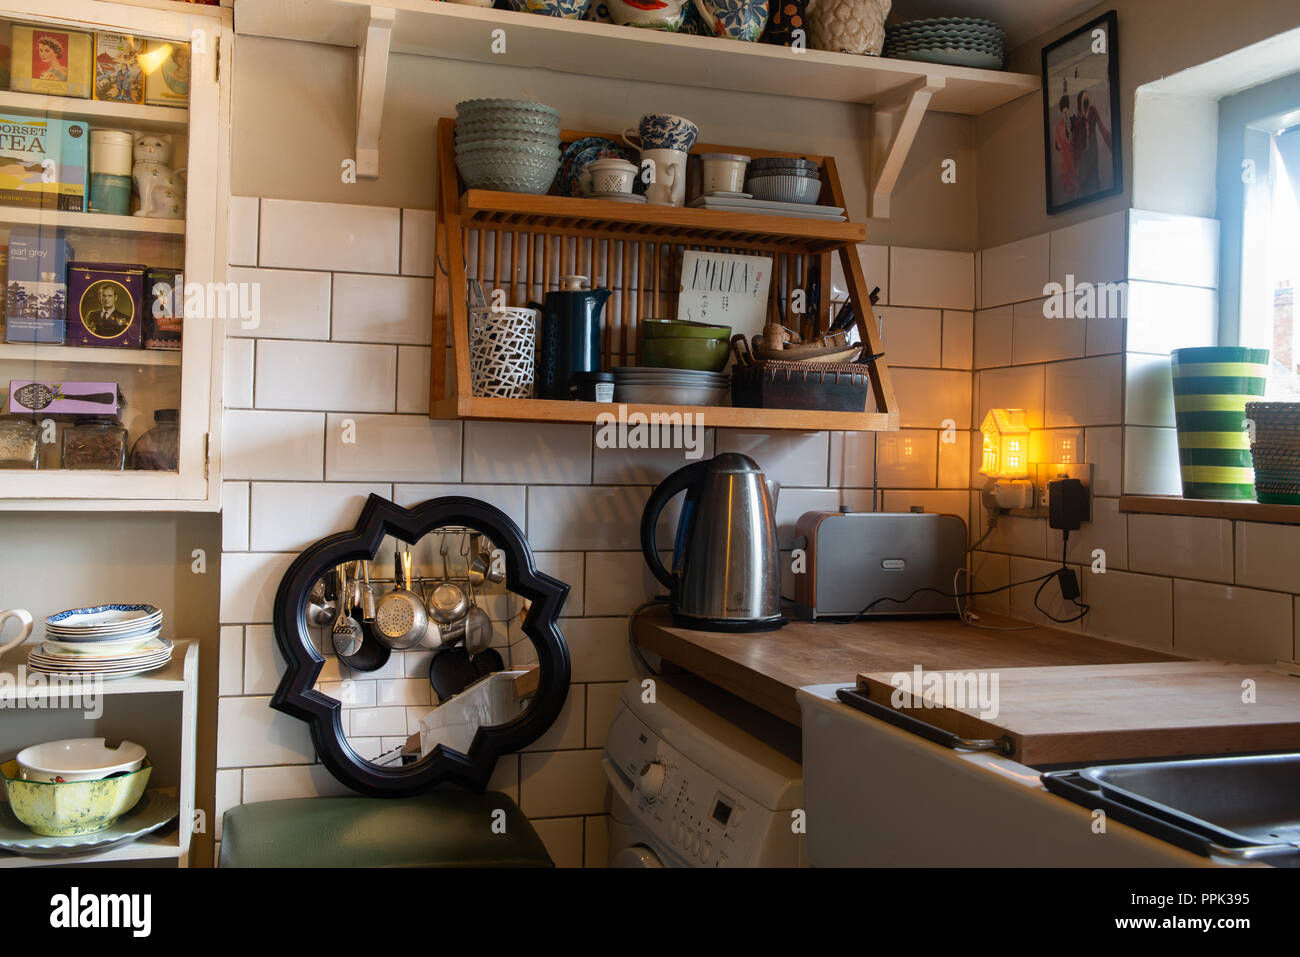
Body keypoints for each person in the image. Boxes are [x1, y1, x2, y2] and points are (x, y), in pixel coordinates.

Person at [1073, 90, 1113, 196]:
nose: (1086, 103)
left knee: (1093, 170)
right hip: (1083, 152)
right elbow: (1075, 141)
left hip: (1092, 148)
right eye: (1084, 101)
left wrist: (1111, 142)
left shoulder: (1092, 111)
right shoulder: (1077, 120)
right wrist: (1075, 161)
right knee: (1084, 175)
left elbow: (1101, 126)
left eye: (1087, 100)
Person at [1053, 92, 1078, 201]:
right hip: (1064, 159)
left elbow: (1072, 139)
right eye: (1063, 111)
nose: (1065, 113)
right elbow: (1058, 145)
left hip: (1071, 158)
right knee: (1067, 182)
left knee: (1074, 180)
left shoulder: (1072, 121)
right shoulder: (1059, 126)